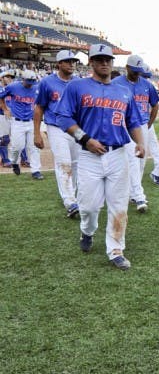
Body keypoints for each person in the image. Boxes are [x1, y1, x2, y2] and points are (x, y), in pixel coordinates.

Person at [55, 43, 145, 270]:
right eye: (99, 59)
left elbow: (133, 121)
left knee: (118, 205)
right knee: (89, 207)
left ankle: (115, 249)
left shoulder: (124, 91)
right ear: (91, 62)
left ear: (112, 62)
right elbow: (64, 118)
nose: (105, 63)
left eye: (108, 59)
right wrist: (85, 139)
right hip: (89, 155)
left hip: (117, 154)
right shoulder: (77, 87)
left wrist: (141, 143)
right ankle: (87, 231)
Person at [33, 50, 81, 217]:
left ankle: (72, 195)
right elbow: (39, 108)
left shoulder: (79, 82)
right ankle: (69, 201)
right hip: (56, 126)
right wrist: (37, 133)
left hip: (76, 127)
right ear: (59, 64)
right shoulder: (47, 82)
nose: (71, 64)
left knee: (76, 164)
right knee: (64, 163)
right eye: (67, 61)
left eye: (73, 61)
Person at [112, 54, 159, 213]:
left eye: (139, 71)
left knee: (140, 161)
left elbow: (155, 105)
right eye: (134, 71)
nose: (137, 74)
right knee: (130, 160)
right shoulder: (116, 83)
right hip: (123, 126)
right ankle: (138, 195)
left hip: (141, 126)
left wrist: (148, 125)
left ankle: (133, 192)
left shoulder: (147, 85)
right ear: (126, 68)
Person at [0, 68, 42, 178]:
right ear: (23, 79)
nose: (30, 85)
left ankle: (36, 171)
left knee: (34, 147)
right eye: (28, 82)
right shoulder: (13, 86)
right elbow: (1, 97)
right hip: (17, 122)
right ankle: (14, 162)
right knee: (17, 147)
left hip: (31, 122)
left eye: (32, 82)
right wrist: (5, 109)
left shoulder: (36, 88)